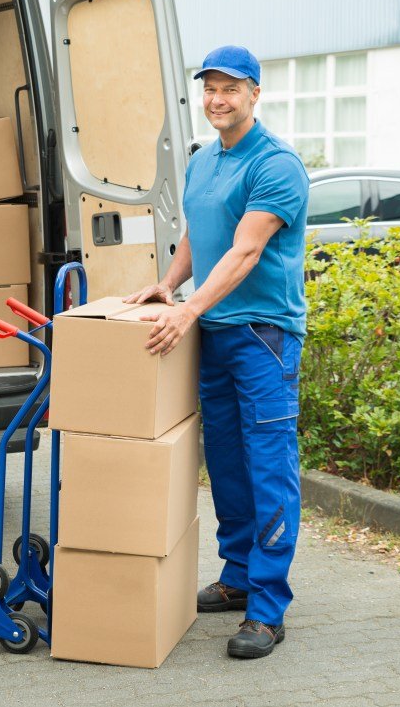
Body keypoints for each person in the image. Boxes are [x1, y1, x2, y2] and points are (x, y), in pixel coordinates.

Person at [125, 45, 308, 659]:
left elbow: (245, 250)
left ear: (255, 93)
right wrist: (169, 283)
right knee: (226, 463)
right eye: (209, 89)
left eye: (230, 89)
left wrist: (187, 310)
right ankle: (236, 578)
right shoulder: (204, 161)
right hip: (215, 334)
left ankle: (267, 607)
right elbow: (196, 236)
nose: (217, 100)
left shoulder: (276, 164)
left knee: (268, 466)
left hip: (262, 336)